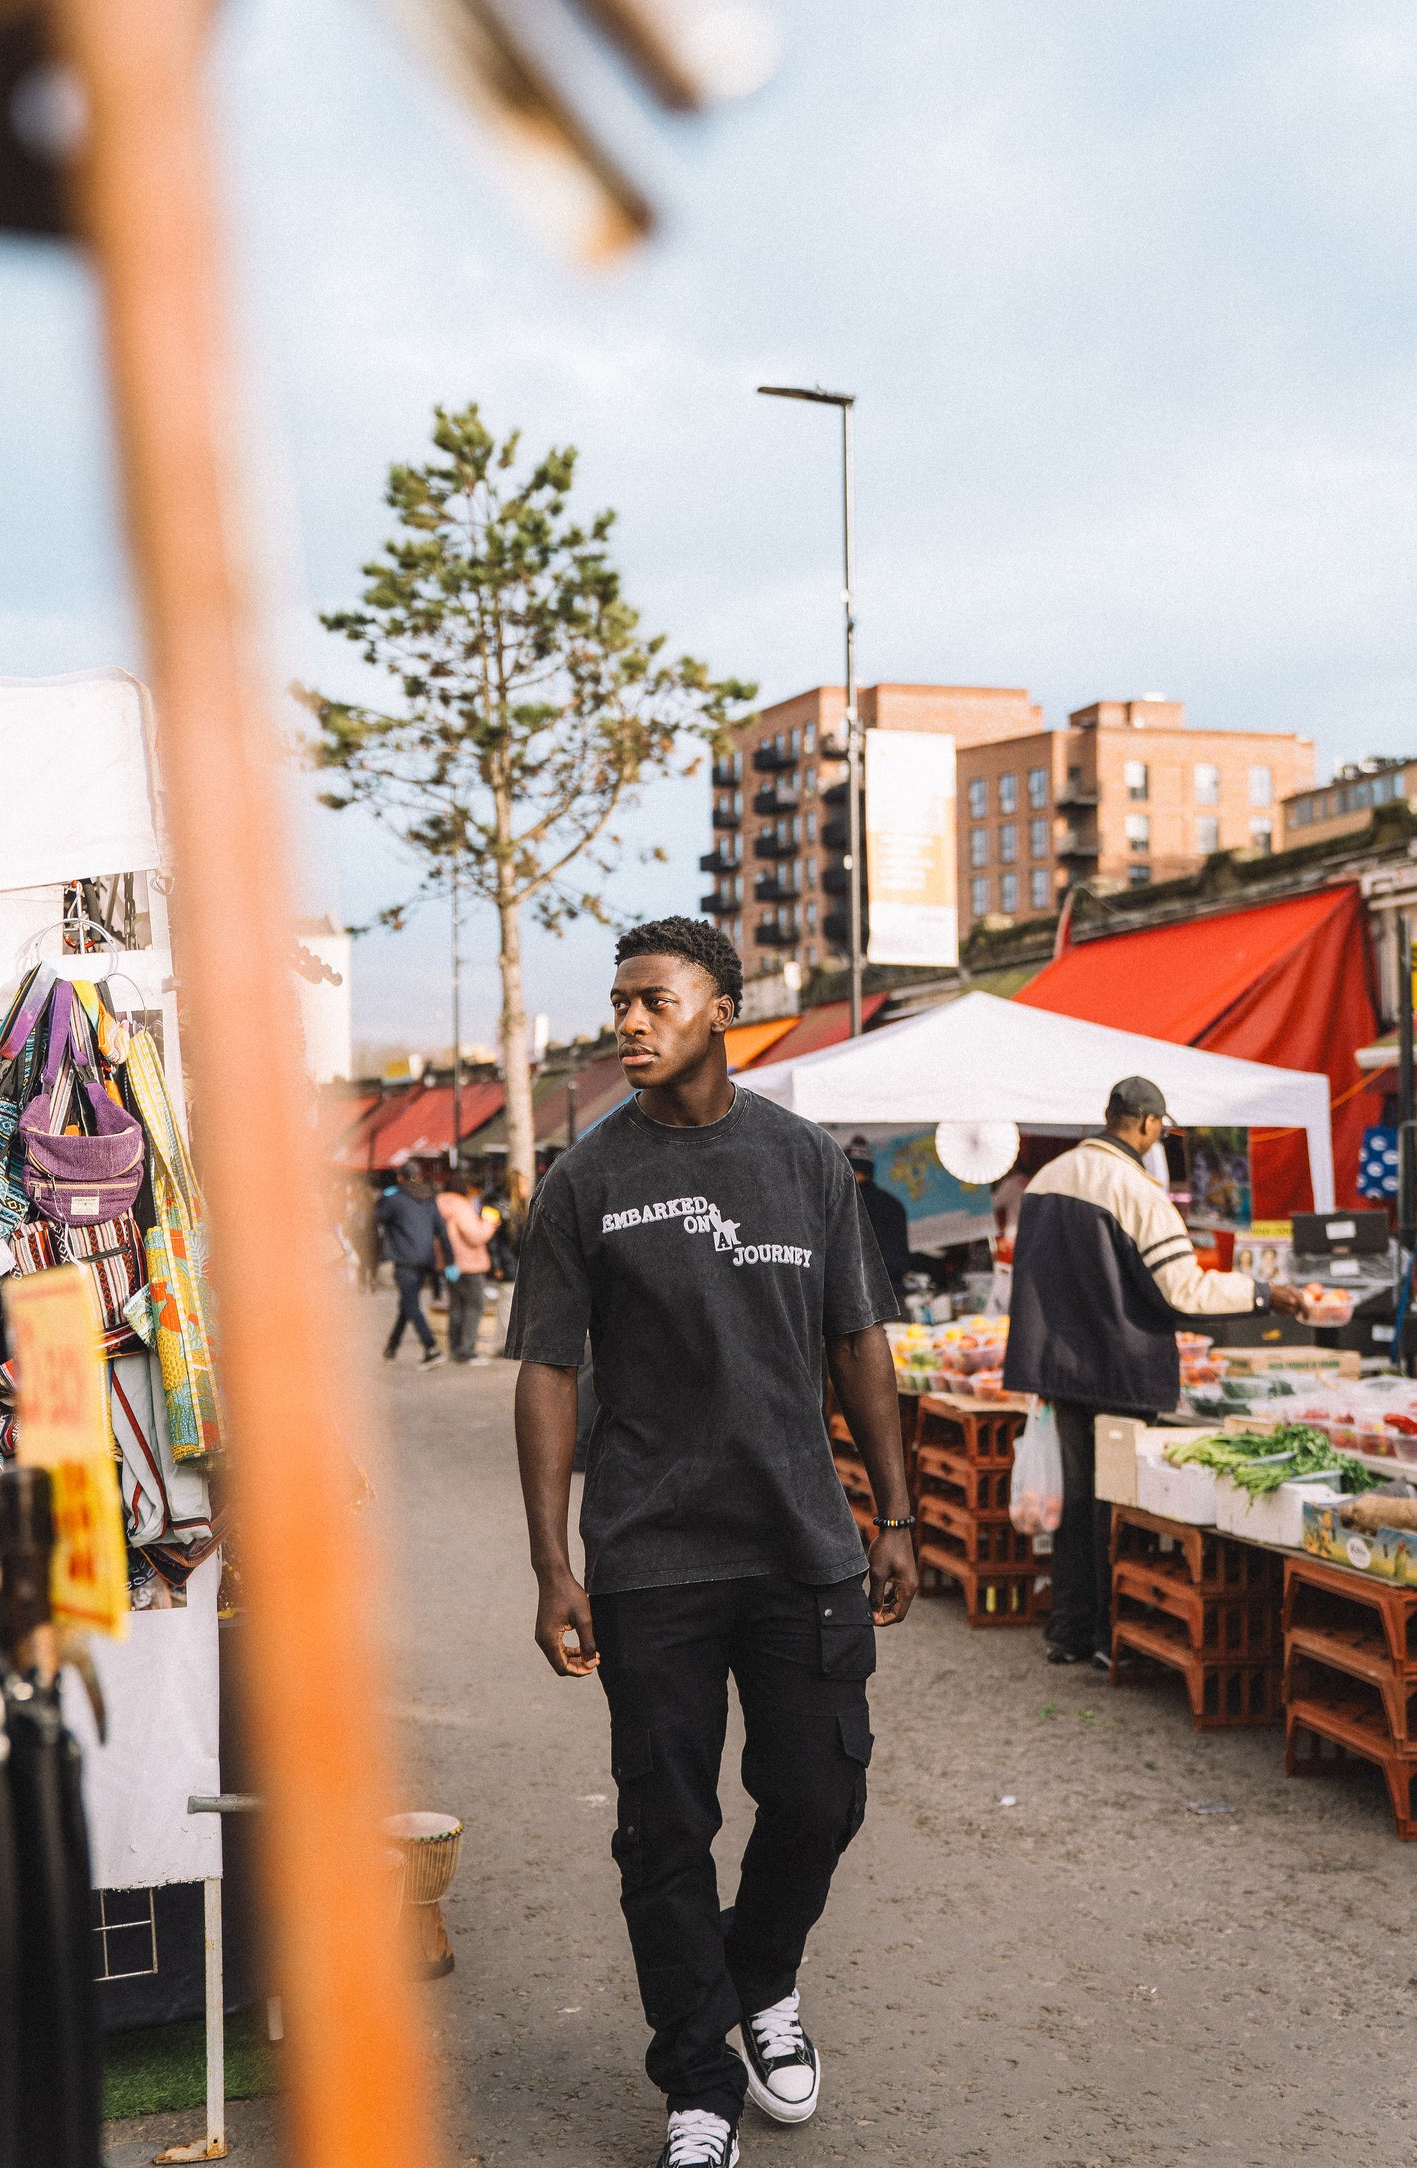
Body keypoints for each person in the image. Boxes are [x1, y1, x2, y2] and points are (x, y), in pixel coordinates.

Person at [508, 915, 917, 2168]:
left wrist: (893, 1514)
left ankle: (759, 1975)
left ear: (719, 1006)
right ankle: (696, 2076)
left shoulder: (802, 1163)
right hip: (649, 1556)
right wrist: (553, 1560)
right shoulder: (583, 1181)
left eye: (653, 998)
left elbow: (857, 1340)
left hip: (803, 1543)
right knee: (663, 1827)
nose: (627, 1020)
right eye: (616, 1002)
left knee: (817, 1793)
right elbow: (544, 1371)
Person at [1004, 1075, 1304, 1667]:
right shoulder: (1137, 1192)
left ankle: (1068, 1631)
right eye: (1160, 1130)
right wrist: (1268, 1294)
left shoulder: (1048, 1178)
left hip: (1061, 1371)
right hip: (1121, 1368)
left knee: (1075, 1506)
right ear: (1145, 1124)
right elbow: (1184, 1290)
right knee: (1112, 1509)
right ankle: (1108, 1638)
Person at [375, 1164, 453, 1367]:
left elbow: (377, 1218)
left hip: (405, 1259)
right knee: (407, 1304)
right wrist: (450, 1261)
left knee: (410, 1304)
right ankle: (392, 1346)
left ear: (400, 1178)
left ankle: (431, 1347)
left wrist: (383, 1199)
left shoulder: (395, 1199)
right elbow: (442, 1231)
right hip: (425, 1259)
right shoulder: (430, 1200)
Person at [435, 1170, 497, 1363]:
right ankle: (466, 1350)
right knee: (474, 1305)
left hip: (450, 1264)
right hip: (469, 1264)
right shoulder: (461, 1207)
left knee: (456, 1306)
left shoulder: (439, 1205)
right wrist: (489, 1224)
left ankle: (455, 1347)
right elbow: (474, 1235)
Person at [843, 1136, 910, 1289]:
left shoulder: (844, 1204)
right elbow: (901, 1262)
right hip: (893, 1295)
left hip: (856, 1296)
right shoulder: (893, 1204)